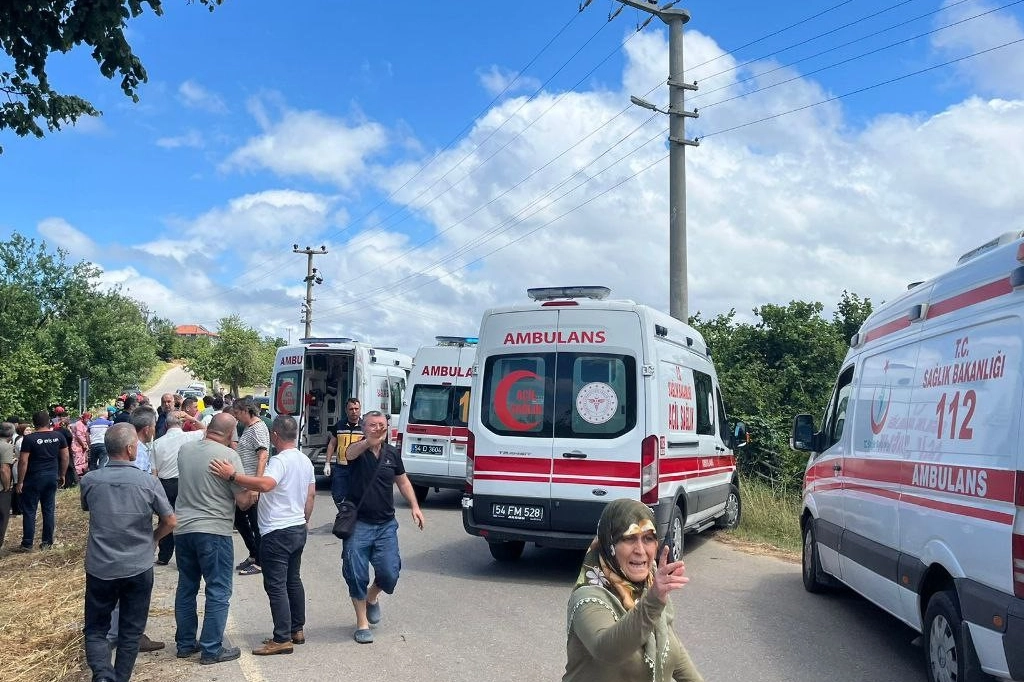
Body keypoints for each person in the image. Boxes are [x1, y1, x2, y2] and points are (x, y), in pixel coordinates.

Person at [562, 498, 703, 682]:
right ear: (609, 544)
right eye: (629, 539)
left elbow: (669, 643)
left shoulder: (651, 583)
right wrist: (653, 601)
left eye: (648, 538)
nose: (640, 550)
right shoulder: (587, 596)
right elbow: (606, 650)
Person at [209, 415, 315, 655]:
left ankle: (281, 638)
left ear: (275, 435)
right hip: (297, 526)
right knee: (292, 580)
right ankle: (296, 629)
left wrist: (233, 476)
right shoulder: (304, 461)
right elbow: (310, 496)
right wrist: (304, 521)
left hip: (277, 531)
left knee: (276, 585)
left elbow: (266, 484)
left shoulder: (280, 461)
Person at [81, 423, 176, 682]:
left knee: (96, 628)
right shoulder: (148, 482)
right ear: (130, 448)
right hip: (138, 565)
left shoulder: (90, 480)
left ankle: (102, 674)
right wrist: (153, 540)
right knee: (131, 631)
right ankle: (120, 677)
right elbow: (170, 520)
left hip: (101, 565)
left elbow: (89, 508)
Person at [173, 413, 255, 665]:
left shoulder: (185, 450)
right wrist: (252, 491)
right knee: (218, 590)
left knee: (187, 587)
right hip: (214, 529)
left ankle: (185, 644)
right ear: (231, 434)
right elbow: (242, 502)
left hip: (184, 528)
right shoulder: (229, 457)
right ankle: (211, 648)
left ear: (208, 428)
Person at [342, 410, 425, 644]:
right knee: (355, 573)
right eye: (372, 425)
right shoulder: (356, 450)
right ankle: (362, 623)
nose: (378, 428)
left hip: (386, 525)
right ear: (363, 428)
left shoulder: (391, 453)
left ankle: (372, 597)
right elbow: (348, 453)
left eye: (381, 424)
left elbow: (402, 480)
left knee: (390, 573)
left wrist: (414, 506)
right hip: (359, 525)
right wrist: (368, 442)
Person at [150, 413, 204, 565]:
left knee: (165, 519)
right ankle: (184, 558)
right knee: (184, 520)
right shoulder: (189, 438)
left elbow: (154, 473)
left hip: (164, 484)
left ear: (166, 425)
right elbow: (206, 430)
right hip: (184, 482)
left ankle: (164, 555)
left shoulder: (157, 443)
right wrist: (192, 419)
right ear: (181, 424)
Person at [15, 410, 69, 551]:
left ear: (34, 423)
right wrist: (62, 474)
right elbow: (65, 457)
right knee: (48, 510)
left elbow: (23, 462)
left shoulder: (29, 439)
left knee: (30, 510)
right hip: (51, 477)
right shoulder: (58, 436)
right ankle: (47, 542)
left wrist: (20, 481)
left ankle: (27, 543)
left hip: (33, 479)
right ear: (49, 422)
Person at [232, 398, 270, 576]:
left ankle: (261, 561)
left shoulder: (257, 428)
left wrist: (256, 486)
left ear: (247, 411)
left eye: (237, 413)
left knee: (255, 523)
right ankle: (254, 553)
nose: (236, 416)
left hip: (252, 484)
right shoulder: (248, 428)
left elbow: (262, 455)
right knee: (239, 518)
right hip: (245, 483)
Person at [324, 398, 362, 506]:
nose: (354, 411)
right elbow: (332, 444)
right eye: (351, 409)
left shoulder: (365, 427)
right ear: (346, 410)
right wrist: (327, 463)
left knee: (357, 495)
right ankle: (345, 514)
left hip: (358, 468)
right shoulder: (339, 425)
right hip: (341, 467)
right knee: (337, 494)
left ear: (360, 409)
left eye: (356, 409)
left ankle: (352, 518)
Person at [0, 422, 16, 550]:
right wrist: (6, 487)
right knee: (2, 517)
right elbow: (4, 469)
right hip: (1, 489)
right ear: (11, 434)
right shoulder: (6, 447)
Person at [70, 412, 90, 479]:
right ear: (83, 418)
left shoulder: (84, 424)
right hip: (77, 445)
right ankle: (77, 476)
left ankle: (82, 474)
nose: (88, 420)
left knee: (83, 460)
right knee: (78, 461)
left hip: (82, 446)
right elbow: (78, 436)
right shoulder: (79, 424)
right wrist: (83, 445)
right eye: (87, 419)